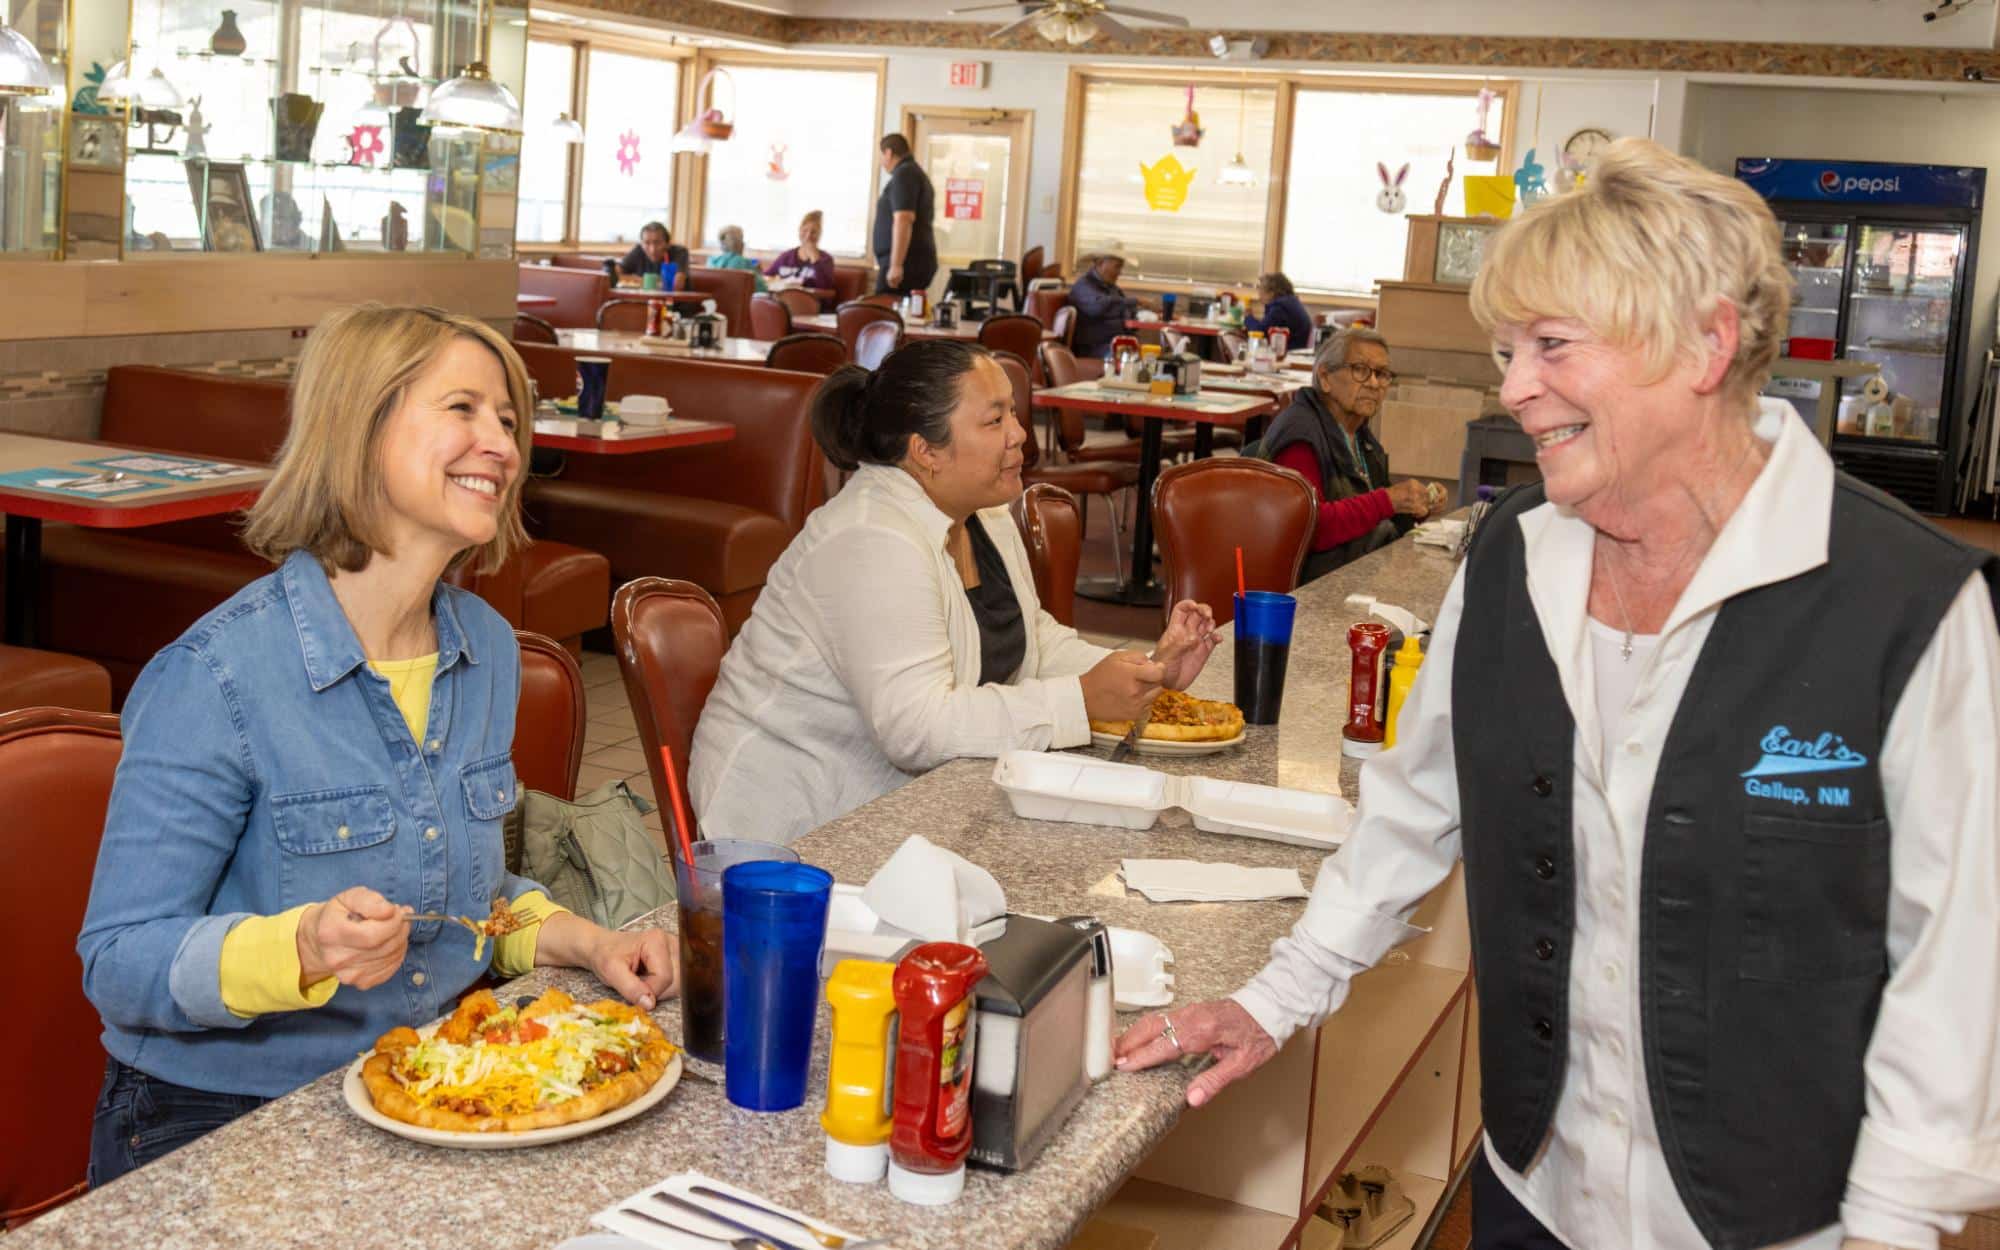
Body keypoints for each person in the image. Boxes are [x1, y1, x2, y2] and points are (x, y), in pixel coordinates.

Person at [1116, 138, 2000, 1250]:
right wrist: (1271, 999)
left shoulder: (1906, 603)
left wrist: (1891, 1226)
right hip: (1534, 1188)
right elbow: (1411, 809)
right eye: (1507, 350)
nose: (1513, 387)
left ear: (1705, 343)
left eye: (1552, 346)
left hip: (1780, 1223)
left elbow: (1959, 964)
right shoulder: (1510, 558)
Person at [77, 304, 679, 1185]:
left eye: (507, 419)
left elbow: (469, 901)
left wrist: (588, 944)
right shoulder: (216, 674)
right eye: (463, 408)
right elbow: (118, 960)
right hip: (217, 1115)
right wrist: (303, 947)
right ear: (359, 427)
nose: (503, 446)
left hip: (435, 1082)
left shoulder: (488, 649)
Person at [691, 340, 1218, 845]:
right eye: (994, 420)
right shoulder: (872, 537)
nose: (1019, 434)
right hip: (792, 828)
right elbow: (916, 729)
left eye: (1013, 413)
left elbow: (1033, 642)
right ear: (925, 451)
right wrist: (1079, 699)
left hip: (904, 809)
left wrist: (1145, 671)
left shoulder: (983, 513)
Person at [1261, 327, 1435, 579]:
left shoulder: (1360, 436)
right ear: (1325, 377)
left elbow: (1380, 516)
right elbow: (1309, 528)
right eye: (1360, 370)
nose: (1374, 384)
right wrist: (1388, 500)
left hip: (1354, 569)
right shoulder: (1300, 434)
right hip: (1306, 585)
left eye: (1382, 374)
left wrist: (1416, 505)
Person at [872, 133, 937, 297]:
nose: (881, 162)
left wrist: (896, 265)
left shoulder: (905, 174)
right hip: (911, 261)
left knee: (882, 308)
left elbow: (904, 219)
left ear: (888, 153)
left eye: (881, 156)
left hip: (907, 263)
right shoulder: (912, 173)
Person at [1067, 253, 1140, 360]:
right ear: (1100, 263)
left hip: (1117, 344)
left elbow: (1125, 312)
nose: (1120, 272)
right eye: (1117, 267)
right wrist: (1136, 301)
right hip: (1093, 348)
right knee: (1128, 357)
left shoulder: (1113, 288)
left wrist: (1137, 317)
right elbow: (1098, 307)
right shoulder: (1084, 285)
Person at [766, 209, 836, 293]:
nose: (808, 235)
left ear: (819, 235)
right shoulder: (786, 256)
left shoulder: (826, 259)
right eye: (805, 230)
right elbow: (766, 277)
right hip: (784, 298)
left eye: (813, 232)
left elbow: (826, 287)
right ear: (799, 231)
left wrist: (815, 259)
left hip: (812, 299)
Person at [1242, 271, 1313, 351]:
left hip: (1289, 352)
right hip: (1296, 348)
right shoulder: (1290, 302)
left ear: (1271, 293)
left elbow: (1260, 332)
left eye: (1261, 291)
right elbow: (1267, 326)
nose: (1259, 296)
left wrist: (1248, 317)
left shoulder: (1279, 308)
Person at [619, 221, 689, 288]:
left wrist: (638, 280)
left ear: (667, 244)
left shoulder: (679, 252)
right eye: (647, 243)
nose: (652, 250)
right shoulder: (638, 250)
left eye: (657, 243)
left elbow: (677, 285)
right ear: (641, 244)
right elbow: (616, 274)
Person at [708, 223, 767, 292]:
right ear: (740, 242)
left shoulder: (712, 261)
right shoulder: (743, 262)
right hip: (740, 298)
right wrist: (758, 272)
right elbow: (762, 288)